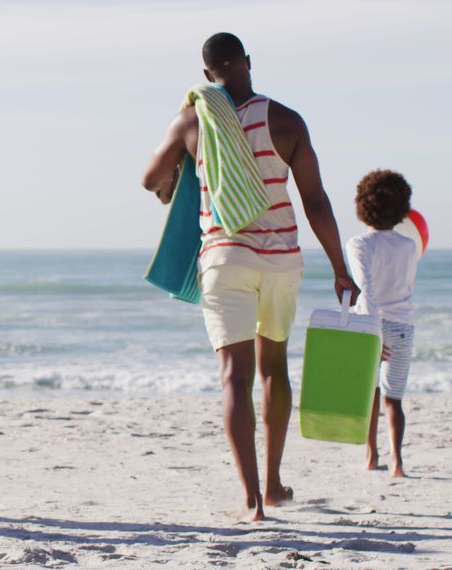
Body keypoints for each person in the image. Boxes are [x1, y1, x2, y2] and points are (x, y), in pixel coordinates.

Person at [139, 33, 358, 521]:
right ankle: (276, 483)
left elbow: (150, 179)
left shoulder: (194, 118)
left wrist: (175, 179)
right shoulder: (286, 120)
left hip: (225, 256)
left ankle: (252, 499)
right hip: (280, 259)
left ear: (206, 75)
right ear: (248, 64)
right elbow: (316, 201)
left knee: (234, 377)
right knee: (273, 369)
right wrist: (341, 269)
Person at [346, 170, 418, 478]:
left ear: (363, 205)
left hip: (371, 326)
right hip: (403, 325)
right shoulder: (409, 245)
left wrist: (374, 334)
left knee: (371, 394)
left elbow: (366, 290)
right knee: (394, 397)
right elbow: (404, 286)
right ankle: (398, 462)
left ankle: (371, 455)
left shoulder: (359, 244)